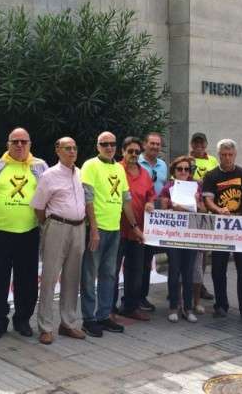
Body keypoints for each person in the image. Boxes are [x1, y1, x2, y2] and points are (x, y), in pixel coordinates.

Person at [80, 131, 144, 337]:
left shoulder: (118, 168)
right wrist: (94, 229)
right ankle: (88, 319)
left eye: (112, 144)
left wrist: (134, 226)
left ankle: (104, 315)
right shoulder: (90, 165)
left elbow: (125, 199)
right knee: (90, 276)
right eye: (104, 144)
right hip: (96, 230)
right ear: (97, 146)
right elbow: (87, 199)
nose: (109, 147)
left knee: (109, 275)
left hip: (115, 230)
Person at [0, 128, 48, 340]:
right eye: (15, 141)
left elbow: (50, 194)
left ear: (30, 144)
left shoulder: (40, 166)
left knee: (28, 280)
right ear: (8, 144)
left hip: (28, 233)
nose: (19, 145)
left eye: (23, 141)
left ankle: (22, 319)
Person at [32, 137, 88, 345]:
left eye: (74, 148)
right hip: (57, 227)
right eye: (67, 148)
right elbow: (39, 207)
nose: (72, 152)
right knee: (49, 277)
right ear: (57, 150)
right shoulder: (49, 175)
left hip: (79, 228)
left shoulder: (81, 173)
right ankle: (45, 327)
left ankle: (68, 323)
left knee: (73, 278)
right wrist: (47, 225)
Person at [202, 139, 242, 322]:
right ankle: (221, 305)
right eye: (223, 155)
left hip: (240, 226)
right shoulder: (211, 176)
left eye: (230, 155)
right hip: (220, 226)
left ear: (235, 155)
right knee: (218, 269)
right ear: (218, 155)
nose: (227, 158)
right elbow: (207, 200)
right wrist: (218, 209)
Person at [159, 155, 206, 323]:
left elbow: (201, 211)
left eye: (187, 169)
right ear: (174, 171)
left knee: (188, 272)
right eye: (180, 169)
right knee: (174, 271)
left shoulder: (196, 187)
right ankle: (173, 306)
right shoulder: (168, 187)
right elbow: (163, 211)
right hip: (174, 235)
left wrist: (196, 202)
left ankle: (188, 308)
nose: (184, 172)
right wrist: (174, 206)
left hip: (191, 235)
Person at [113, 137, 155, 320]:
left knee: (135, 271)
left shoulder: (145, 173)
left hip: (139, 232)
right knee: (112, 272)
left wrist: (151, 203)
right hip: (118, 230)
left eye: (137, 152)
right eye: (130, 151)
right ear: (122, 151)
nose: (134, 155)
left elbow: (151, 195)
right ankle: (109, 309)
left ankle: (130, 307)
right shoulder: (115, 170)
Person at [137, 132, 168, 312]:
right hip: (138, 215)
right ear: (144, 144)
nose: (155, 147)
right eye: (152, 143)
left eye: (158, 144)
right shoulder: (136, 163)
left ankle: (142, 296)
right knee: (137, 260)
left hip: (156, 218)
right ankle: (132, 296)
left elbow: (164, 190)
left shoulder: (163, 165)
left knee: (148, 259)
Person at [189, 132, 217, 303]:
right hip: (190, 211)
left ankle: (200, 285)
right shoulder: (186, 159)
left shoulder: (212, 160)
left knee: (203, 251)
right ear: (192, 144)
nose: (199, 146)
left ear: (206, 144)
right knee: (187, 248)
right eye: (196, 143)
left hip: (206, 211)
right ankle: (184, 285)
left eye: (202, 143)